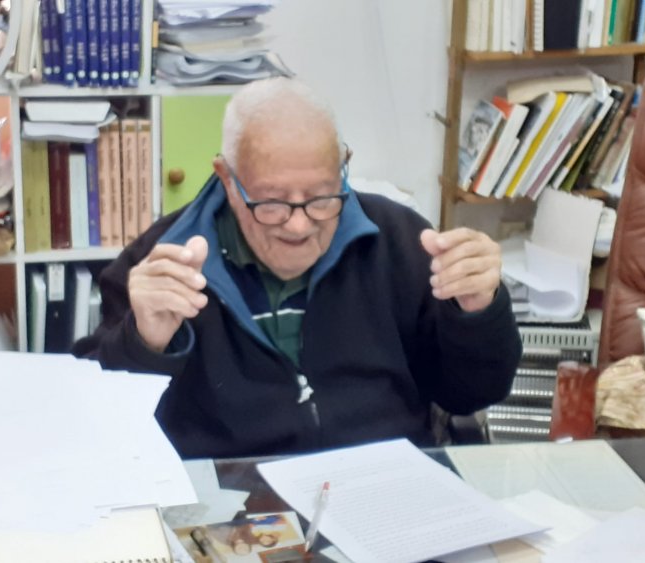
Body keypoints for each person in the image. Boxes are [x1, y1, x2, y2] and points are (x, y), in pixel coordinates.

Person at [73, 77, 522, 459]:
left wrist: (478, 313)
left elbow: (472, 394)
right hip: (233, 502)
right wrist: (145, 342)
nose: (300, 224)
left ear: (343, 167)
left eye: (321, 196)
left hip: (383, 484)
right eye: (271, 203)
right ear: (227, 178)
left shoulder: (400, 240)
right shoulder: (164, 259)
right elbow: (103, 426)